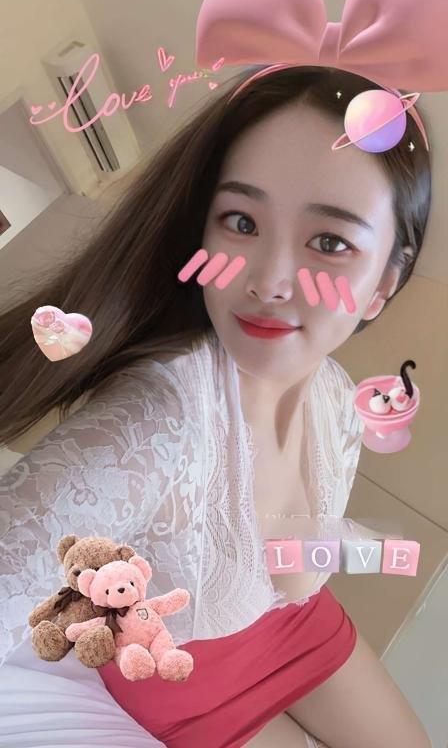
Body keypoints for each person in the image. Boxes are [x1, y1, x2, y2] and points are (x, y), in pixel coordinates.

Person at [0, 66, 432, 747]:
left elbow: (290, 547)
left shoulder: (334, 394)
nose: (269, 281)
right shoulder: (153, 427)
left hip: (300, 625)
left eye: (329, 242)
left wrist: (359, 547)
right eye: (242, 222)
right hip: (184, 676)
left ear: (384, 284)